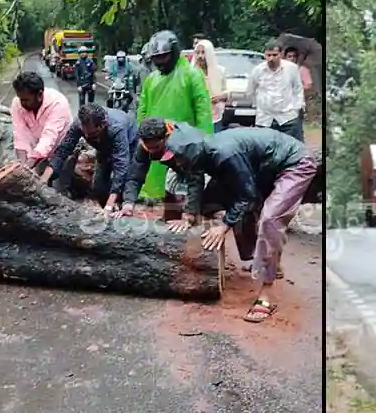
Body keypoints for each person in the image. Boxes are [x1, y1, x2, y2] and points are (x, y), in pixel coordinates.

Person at [133, 118, 319, 323]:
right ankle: (263, 261)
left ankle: (266, 296)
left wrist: (224, 226)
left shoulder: (225, 154)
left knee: (270, 219)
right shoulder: (194, 149)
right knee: (210, 204)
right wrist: (189, 216)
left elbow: (246, 196)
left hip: (294, 162)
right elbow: (195, 178)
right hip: (263, 166)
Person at [136, 30, 213, 205]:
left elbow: (203, 110)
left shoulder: (192, 75)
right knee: (153, 172)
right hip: (154, 139)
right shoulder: (151, 79)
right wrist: (140, 133)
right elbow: (142, 108)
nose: (160, 62)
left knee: (183, 179)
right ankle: (152, 198)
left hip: (183, 141)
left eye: (164, 57)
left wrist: (205, 139)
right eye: (156, 58)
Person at [41, 104, 138, 214]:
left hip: (129, 142)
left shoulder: (117, 128)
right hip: (103, 146)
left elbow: (121, 166)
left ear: (103, 124)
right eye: (85, 133)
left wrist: (109, 206)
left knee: (124, 182)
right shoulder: (79, 124)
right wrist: (42, 182)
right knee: (98, 186)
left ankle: (119, 210)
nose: (87, 136)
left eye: (92, 134)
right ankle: (107, 210)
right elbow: (63, 150)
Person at [9, 71, 73, 171]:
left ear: (39, 95)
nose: (22, 103)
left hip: (62, 152)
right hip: (38, 153)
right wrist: (21, 166)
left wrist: (29, 164)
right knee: (35, 181)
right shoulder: (17, 103)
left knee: (59, 183)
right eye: (20, 99)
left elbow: (49, 137)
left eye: (26, 100)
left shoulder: (58, 103)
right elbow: (20, 135)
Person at [246, 39, 305, 142]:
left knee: (290, 148)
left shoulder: (291, 68)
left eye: (274, 55)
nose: (271, 58)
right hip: (264, 119)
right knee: (265, 151)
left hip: (287, 117)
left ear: (281, 54)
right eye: (268, 55)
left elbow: (298, 90)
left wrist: (296, 108)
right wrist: (258, 106)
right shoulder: (258, 70)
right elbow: (250, 91)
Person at [191, 39, 228, 134]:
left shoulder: (220, 71)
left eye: (203, 52)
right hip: (195, 119)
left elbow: (226, 91)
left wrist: (220, 97)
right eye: (197, 53)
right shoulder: (190, 73)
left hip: (215, 118)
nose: (200, 56)